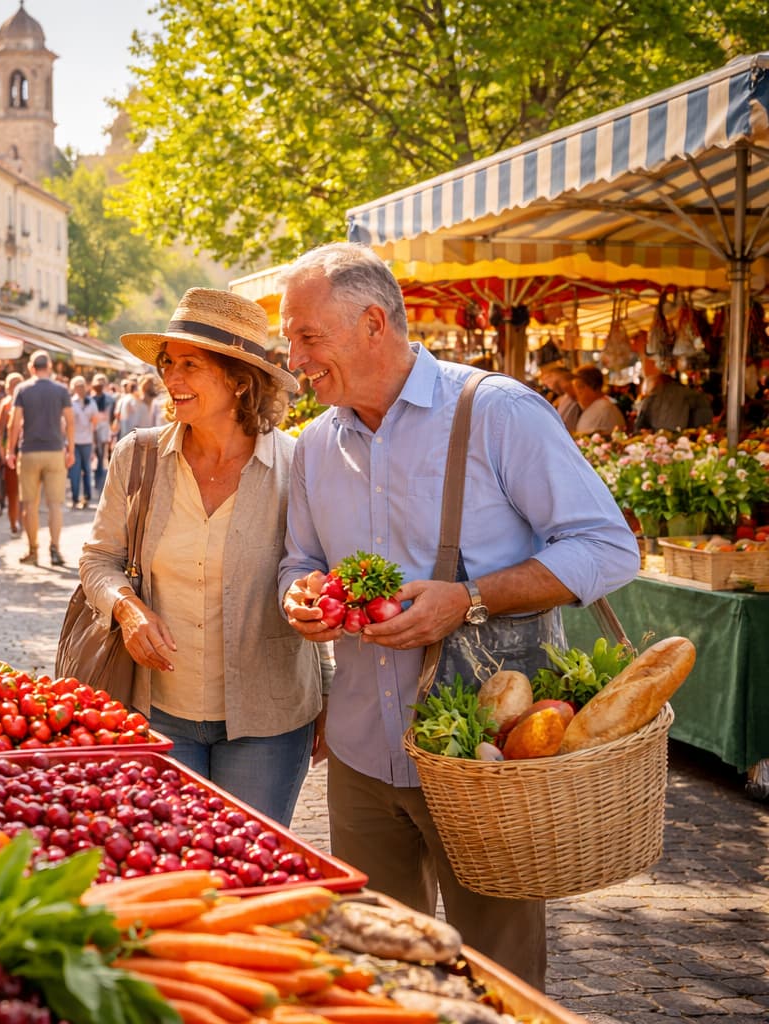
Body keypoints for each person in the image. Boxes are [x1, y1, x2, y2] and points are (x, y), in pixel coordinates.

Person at [276, 243, 638, 988]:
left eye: (307, 337)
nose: (294, 358)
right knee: (380, 977)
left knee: (499, 978)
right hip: (360, 753)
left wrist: (469, 599)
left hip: (485, 758)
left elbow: (608, 549)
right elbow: (298, 560)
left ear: (373, 323)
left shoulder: (498, 412)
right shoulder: (315, 445)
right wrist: (300, 596)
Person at [79, 288, 323, 825]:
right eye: (168, 363)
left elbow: (313, 576)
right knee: (174, 865)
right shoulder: (138, 457)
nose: (171, 379)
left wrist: (326, 692)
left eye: (190, 365)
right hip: (158, 707)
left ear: (239, 378)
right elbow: (98, 560)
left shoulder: (296, 466)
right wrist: (127, 608)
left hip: (270, 715)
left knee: (250, 866)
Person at [7, 351, 73, 567]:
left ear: (31, 367)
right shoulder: (61, 390)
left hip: (29, 451)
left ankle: (33, 549)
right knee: (55, 505)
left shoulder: (22, 389)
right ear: (50, 367)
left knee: (30, 504)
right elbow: (70, 422)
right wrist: (70, 449)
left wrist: (10, 450)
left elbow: (15, 423)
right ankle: (55, 549)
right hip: (55, 451)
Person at [634, 359, 713, 432]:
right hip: (680, 437)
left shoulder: (652, 398)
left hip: (663, 438)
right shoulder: (691, 394)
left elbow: (639, 426)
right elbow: (703, 424)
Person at [0, 372, 26, 535]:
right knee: (18, 492)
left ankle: (16, 522)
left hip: (13, 452)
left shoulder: (6, 404)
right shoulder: (7, 404)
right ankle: (16, 521)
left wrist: (3, 452)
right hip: (21, 451)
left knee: (14, 492)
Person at [68, 375, 98, 510]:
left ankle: (86, 497)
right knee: (75, 470)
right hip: (74, 441)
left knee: (86, 469)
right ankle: (75, 497)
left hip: (86, 440)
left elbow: (95, 421)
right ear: (73, 388)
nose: (80, 389)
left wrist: (93, 442)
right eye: (77, 386)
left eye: (82, 386)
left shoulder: (91, 403)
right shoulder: (70, 403)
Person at [571, 364, 627, 435]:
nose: (577, 394)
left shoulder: (603, 408)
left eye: (580, 387)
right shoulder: (598, 407)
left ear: (595, 387)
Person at [114, 374, 165, 440]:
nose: (155, 388)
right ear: (144, 387)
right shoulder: (130, 401)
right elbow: (126, 428)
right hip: (132, 442)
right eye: (152, 385)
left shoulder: (156, 404)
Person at [537, 361, 581, 433]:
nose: (549, 387)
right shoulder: (564, 396)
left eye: (547, 382)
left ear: (553, 376)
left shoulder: (572, 391)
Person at [90, 373, 114, 493]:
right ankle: (97, 476)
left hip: (104, 429)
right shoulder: (89, 400)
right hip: (92, 429)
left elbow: (111, 416)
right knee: (95, 452)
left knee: (100, 453)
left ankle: (99, 476)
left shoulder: (110, 399)